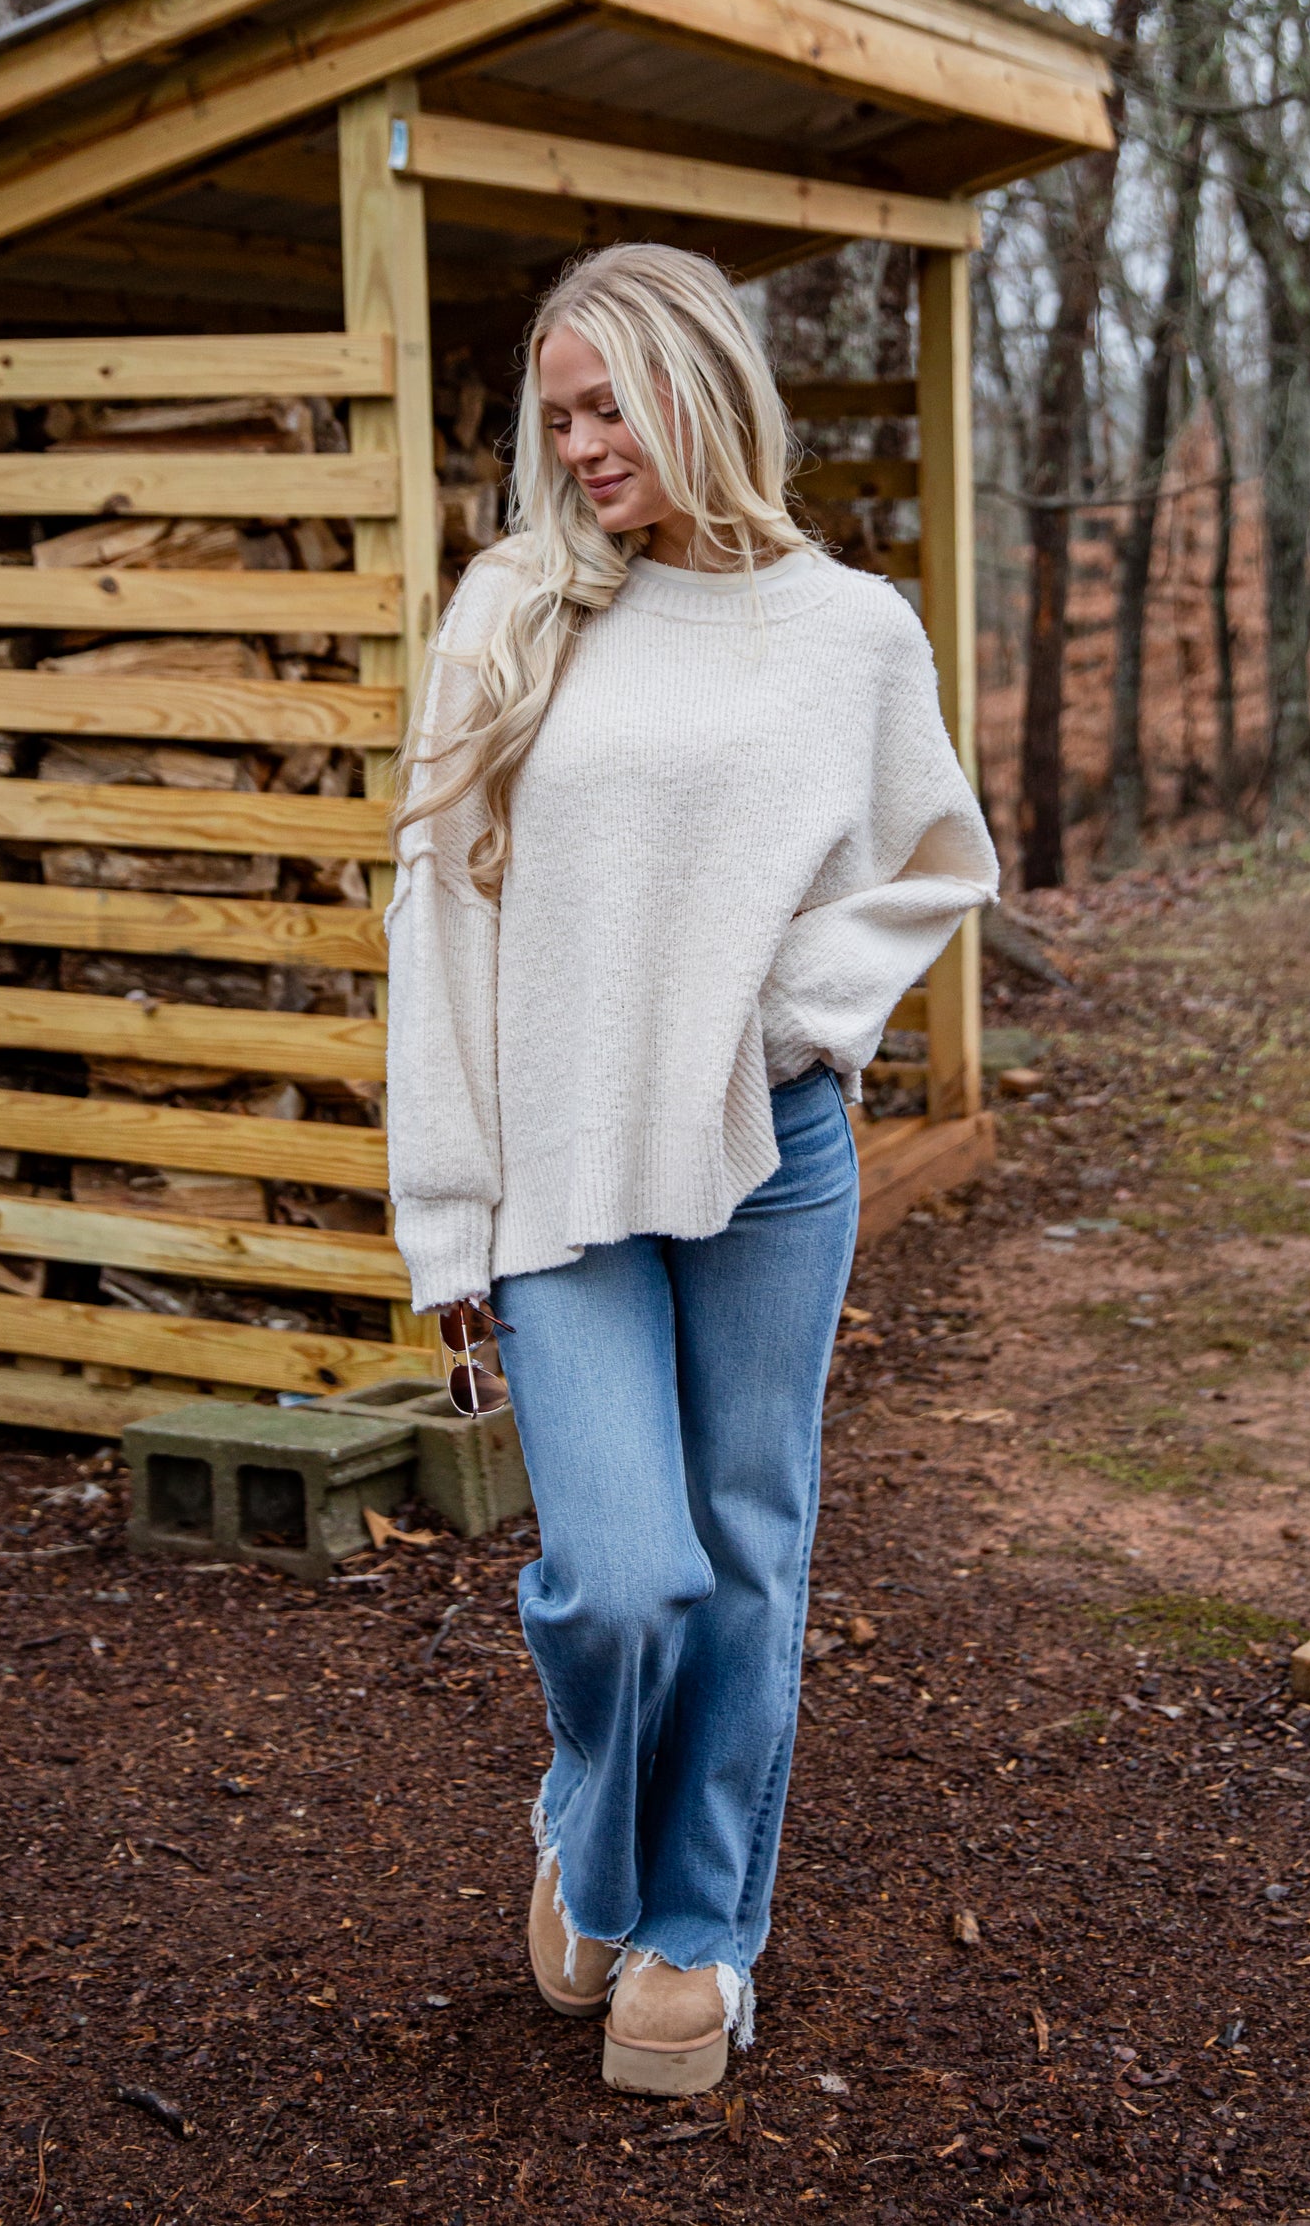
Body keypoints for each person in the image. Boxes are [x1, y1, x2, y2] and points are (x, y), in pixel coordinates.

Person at [385, 242, 998, 2094]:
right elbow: (437, 922)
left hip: (770, 1153)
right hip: (559, 1158)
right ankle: (589, 1818)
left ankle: (698, 1929)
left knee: (745, 1549)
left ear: (702, 388)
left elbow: (939, 857)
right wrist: (448, 1216)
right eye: (558, 417)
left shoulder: (851, 631)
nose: (579, 446)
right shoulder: (514, 607)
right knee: (624, 1577)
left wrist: (794, 1013)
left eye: (609, 408)